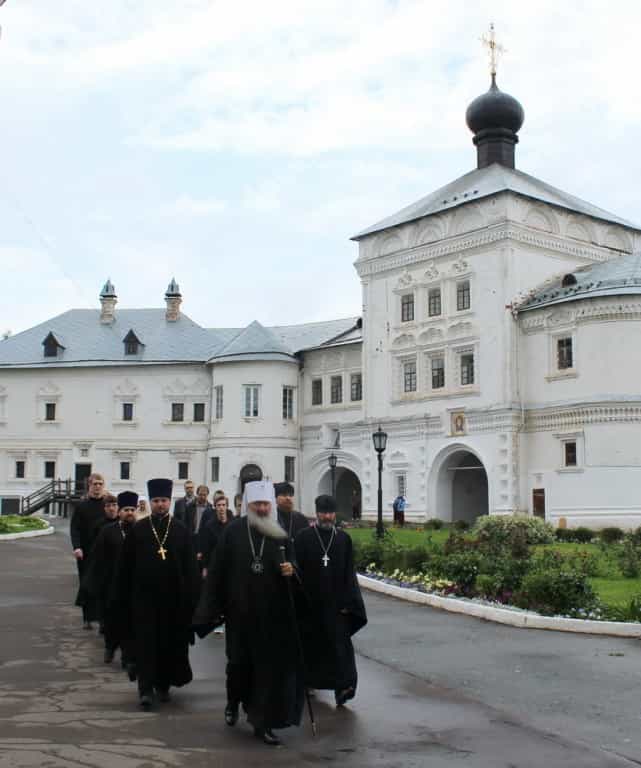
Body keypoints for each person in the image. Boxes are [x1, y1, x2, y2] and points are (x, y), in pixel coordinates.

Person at [193, 480, 304, 746]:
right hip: (240, 615)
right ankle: (233, 702)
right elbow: (217, 572)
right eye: (258, 504)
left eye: (266, 504)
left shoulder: (279, 535)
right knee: (238, 666)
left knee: (266, 670)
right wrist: (210, 609)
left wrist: (292, 570)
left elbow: (294, 565)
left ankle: (262, 722)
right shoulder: (232, 532)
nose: (263, 508)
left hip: (271, 617)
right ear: (248, 505)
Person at [114, 478, 200, 709]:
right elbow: (125, 566)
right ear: (150, 502)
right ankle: (145, 689)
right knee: (145, 644)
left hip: (173, 601)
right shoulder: (139, 530)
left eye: (164, 500)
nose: (160, 504)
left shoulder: (181, 530)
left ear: (169, 502)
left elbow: (190, 568)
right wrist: (123, 596)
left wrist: (192, 598)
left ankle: (163, 684)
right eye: (156, 501)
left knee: (168, 644)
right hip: (144, 600)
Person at [295, 495, 367, 708]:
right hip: (311, 603)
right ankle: (310, 682)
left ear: (335, 514)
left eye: (330, 512)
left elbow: (349, 573)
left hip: (337, 605)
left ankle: (344, 687)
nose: (327, 516)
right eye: (323, 512)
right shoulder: (303, 538)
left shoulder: (343, 539)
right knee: (312, 646)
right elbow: (298, 570)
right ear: (317, 513)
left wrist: (349, 603)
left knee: (340, 648)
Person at [82, 491, 137, 665]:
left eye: (132, 510)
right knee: (112, 621)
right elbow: (97, 558)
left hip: (134, 585)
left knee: (131, 622)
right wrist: (94, 583)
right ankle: (110, 647)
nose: (129, 513)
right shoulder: (108, 531)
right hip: (111, 585)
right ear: (119, 512)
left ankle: (128, 656)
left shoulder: (141, 531)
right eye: (126, 510)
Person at [71, 473, 107, 629]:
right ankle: (87, 617)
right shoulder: (81, 506)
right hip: (85, 552)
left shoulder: (108, 505)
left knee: (104, 584)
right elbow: (75, 528)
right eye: (95, 484)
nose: (97, 486)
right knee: (86, 584)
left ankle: (102, 618)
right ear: (89, 486)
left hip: (104, 552)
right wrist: (77, 547)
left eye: (100, 484)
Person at [200, 495, 230, 576]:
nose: (221, 508)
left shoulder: (232, 524)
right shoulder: (209, 526)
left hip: (229, 563)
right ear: (215, 507)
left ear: (227, 507)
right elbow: (206, 548)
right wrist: (205, 567)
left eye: (223, 505)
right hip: (214, 565)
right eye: (219, 505)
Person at [274, 482, 309, 546]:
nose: (288, 498)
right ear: (275, 498)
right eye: (284, 495)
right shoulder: (272, 518)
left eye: (290, 495)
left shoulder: (301, 519)